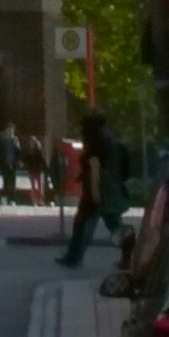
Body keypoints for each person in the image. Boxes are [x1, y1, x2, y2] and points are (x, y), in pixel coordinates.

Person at [60, 103, 118, 271]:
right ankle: (130, 254)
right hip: (105, 186)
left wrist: (94, 190)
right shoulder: (106, 136)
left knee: (83, 224)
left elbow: (95, 165)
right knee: (113, 224)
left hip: (96, 188)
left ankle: (73, 257)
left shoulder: (95, 139)